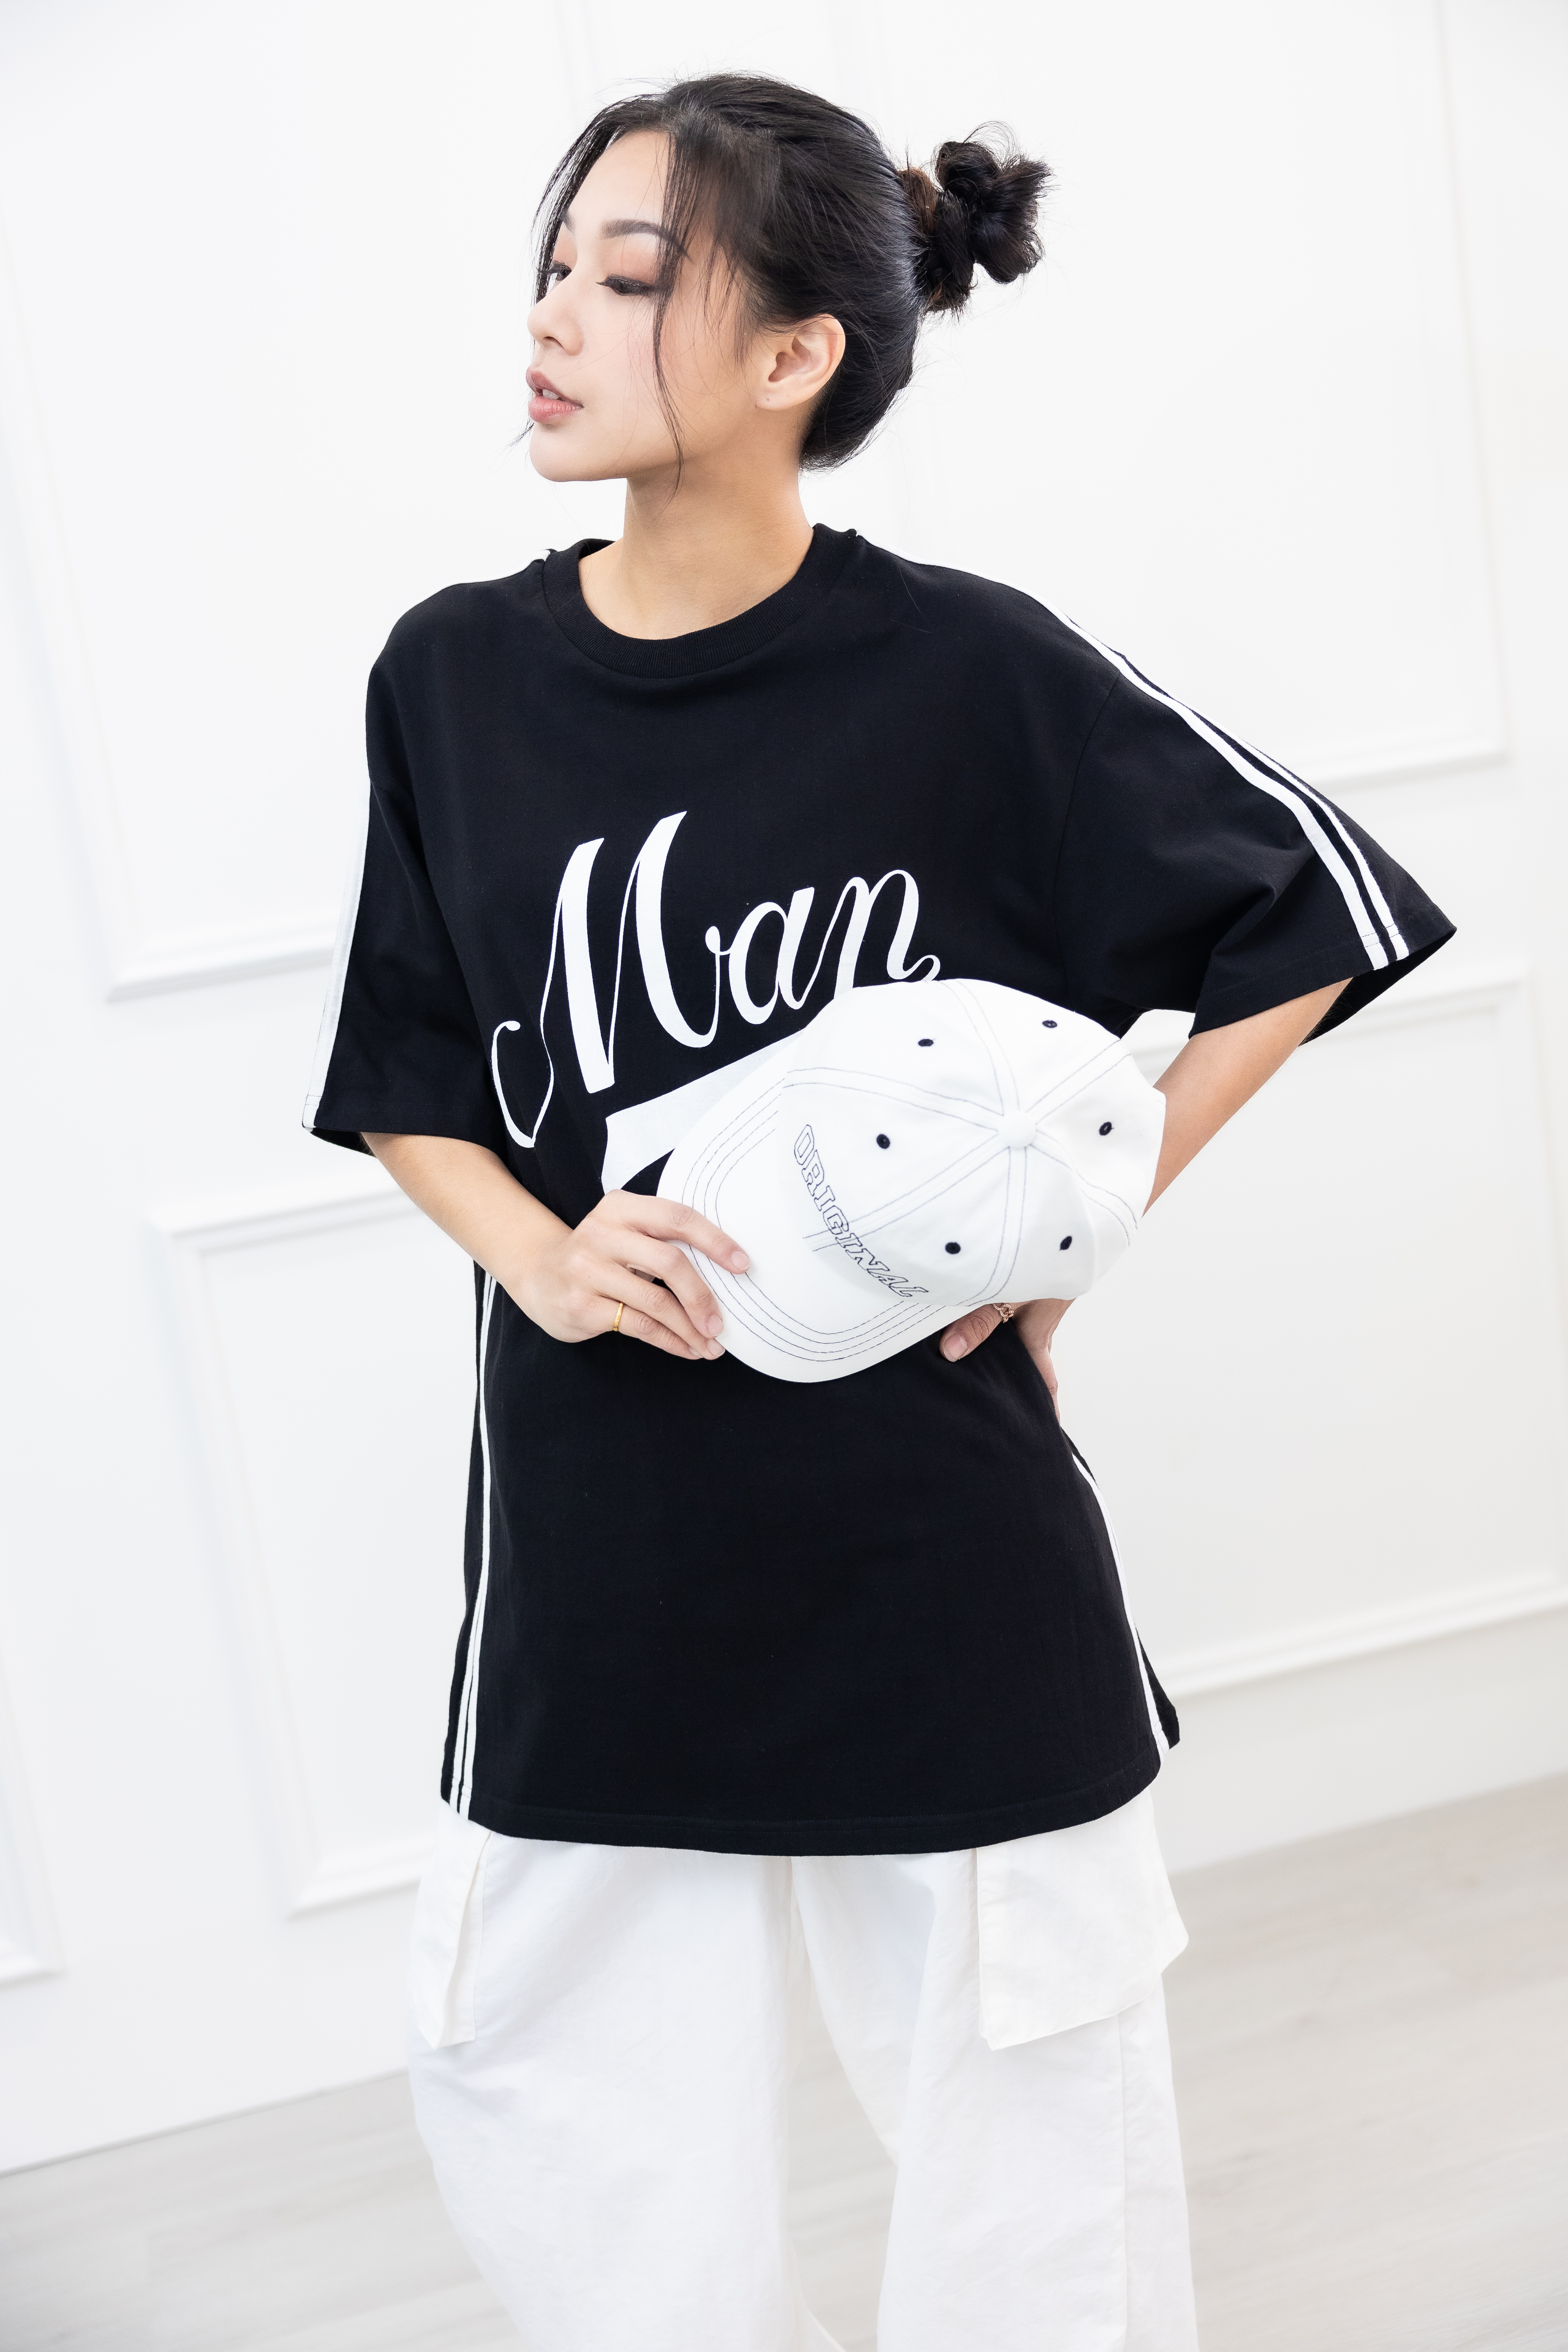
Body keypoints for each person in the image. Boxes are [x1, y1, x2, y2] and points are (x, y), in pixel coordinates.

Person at [304, 73, 1452, 2352]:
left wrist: (1074, 1213)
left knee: (1038, 2151)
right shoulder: (454, 676)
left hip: (939, 1559)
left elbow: (1319, 904)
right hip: (605, 1551)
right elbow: (409, 1065)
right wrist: (541, 1254)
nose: (550, 319)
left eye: (627, 277)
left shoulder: (965, 667)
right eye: (552, 268)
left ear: (792, 353)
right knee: (556, 2099)